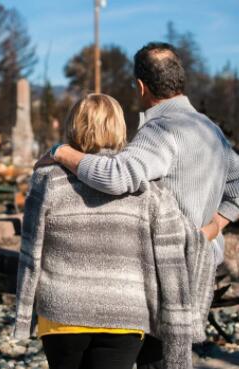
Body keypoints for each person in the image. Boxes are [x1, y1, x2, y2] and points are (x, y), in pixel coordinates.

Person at [34, 41, 239, 367]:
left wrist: (62, 152)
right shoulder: (211, 130)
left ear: (141, 86)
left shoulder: (161, 131)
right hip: (201, 266)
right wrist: (215, 226)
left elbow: (117, 176)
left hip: (165, 271)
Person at [14, 93, 217, 369]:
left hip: (62, 312)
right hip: (126, 313)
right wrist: (213, 228)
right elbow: (178, 246)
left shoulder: (48, 179)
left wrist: (24, 313)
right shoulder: (146, 187)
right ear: (120, 127)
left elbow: (30, 250)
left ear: (72, 126)